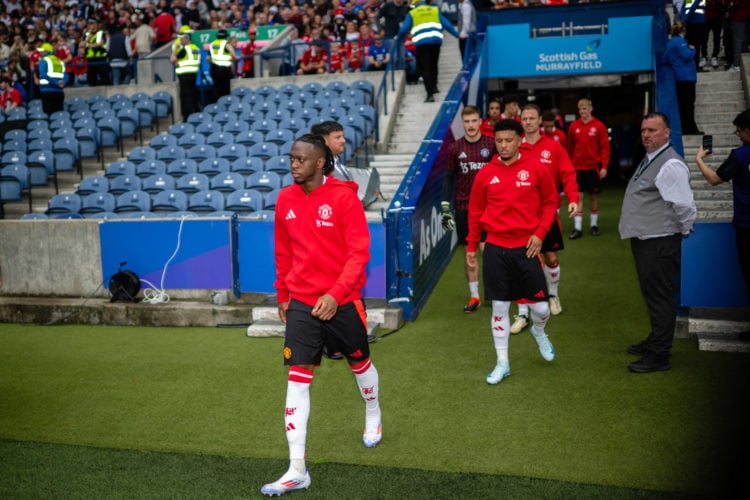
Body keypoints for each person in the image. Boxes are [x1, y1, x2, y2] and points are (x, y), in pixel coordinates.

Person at [261, 134, 381, 496]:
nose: (293, 163)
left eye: (300, 159)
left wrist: (336, 293)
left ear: (320, 162)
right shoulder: (285, 199)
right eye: (291, 158)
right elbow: (283, 250)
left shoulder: (344, 197)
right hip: (301, 301)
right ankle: (297, 468)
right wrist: (284, 294)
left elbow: (359, 254)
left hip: (342, 301)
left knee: (359, 362)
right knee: (297, 378)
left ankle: (373, 411)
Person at [466, 119, 559, 385]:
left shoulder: (536, 168)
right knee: (499, 307)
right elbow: (475, 212)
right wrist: (472, 246)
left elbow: (551, 202)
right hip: (495, 249)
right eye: (499, 141)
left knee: (542, 308)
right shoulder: (485, 173)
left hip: (527, 248)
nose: (503, 145)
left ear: (520, 140)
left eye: (509, 140)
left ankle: (539, 332)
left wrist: (540, 233)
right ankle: (503, 362)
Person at [619, 112, 696, 373]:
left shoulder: (670, 164)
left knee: (660, 298)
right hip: (648, 239)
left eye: (652, 130)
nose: (646, 135)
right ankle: (656, 341)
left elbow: (685, 205)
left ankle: (659, 355)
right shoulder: (654, 158)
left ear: (667, 133)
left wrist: (683, 229)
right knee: (653, 296)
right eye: (643, 130)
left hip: (659, 242)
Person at [510, 104, 579, 333]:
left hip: (547, 215)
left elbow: (568, 173)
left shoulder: (553, 147)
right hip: (520, 216)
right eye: (525, 118)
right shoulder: (514, 146)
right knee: (520, 262)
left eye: (532, 118)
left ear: (541, 120)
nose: (528, 122)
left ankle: (553, 296)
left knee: (550, 257)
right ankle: (521, 314)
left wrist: (572, 198)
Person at [695, 109, 750, 339]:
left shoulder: (740, 155)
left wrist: (699, 159)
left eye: (739, 132)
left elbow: (714, 179)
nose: (738, 136)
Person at [441, 105, 496, 313]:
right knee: (469, 253)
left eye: (474, 121)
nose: (471, 125)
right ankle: (475, 296)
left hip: (491, 207)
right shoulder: (455, 148)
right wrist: (445, 207)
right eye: (467, 122)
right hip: (465, 207)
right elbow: (448, 178)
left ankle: (494, 291)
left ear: (480, 121)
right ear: (462, 123)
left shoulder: (491, 145)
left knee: (489, 250)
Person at [395, 0, 460, 103]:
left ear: (415, 4)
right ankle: (434, 87)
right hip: (435, 41)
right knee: (434, 64)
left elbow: (404, 29)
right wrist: (458, 36)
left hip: (422, 43)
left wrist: (397, 38)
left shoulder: (413, 13)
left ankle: (430, 94)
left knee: (425, 68)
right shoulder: (434, 10)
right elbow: (447, 24)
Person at [567, 98, 610, 239]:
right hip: (578, 168)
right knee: (578, 196)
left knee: (593, 197)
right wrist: (570, 165)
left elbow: (605, 147)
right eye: (580, 109)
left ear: (591, 108)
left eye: (585, 108)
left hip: (593, 168)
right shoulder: (573, 126)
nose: (582, 112)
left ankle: (594, 225)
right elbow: (569, 148)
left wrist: (604, 166)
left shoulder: (599, 126)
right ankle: (577, 228)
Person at [666, 21, 702, 135]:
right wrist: (692, 49)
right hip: (686, 77)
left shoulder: (671, 42)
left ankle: (685, 127)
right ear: (683, 31)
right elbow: (686, 55)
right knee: (688, 104)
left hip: (679, 77)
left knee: (683, 104)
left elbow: (666, 58)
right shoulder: (680, 41)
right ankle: (690, 128)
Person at [170, 25, 201, 122]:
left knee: (185, 97)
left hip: (184, 74)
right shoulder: (195, 47)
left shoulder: (184, 50)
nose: (179, 41)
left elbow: (172, 60)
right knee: (193, 95)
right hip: (193, 74)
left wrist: (175, 50)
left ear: (186, 38)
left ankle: (188, 117)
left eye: (181, 38)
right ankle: (196, 113)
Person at [36, 42, 68, 115]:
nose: (40, 53)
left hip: (47, 91)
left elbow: (43, 74)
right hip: (59, 92)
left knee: (49, 116)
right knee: (59, 115)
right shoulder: (60, 61)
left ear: (47, 51)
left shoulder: (44, 60)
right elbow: (66, 75)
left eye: (42, 51)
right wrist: (63, 83)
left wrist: (56, 82)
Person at [208, 29, 236, 101]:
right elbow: (234, 55)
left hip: (214, 69)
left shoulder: (212, 44)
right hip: (224, 70)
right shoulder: (226, 44)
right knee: (226, 91)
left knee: (217, 90)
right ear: (226, 37)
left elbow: (208, 58)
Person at [84, 18, 110, 86]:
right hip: (90, 59)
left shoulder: (101, 33)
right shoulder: (87, 34)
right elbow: (81, 44)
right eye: (89, 24)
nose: (89, 25)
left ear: (96, 25)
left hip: (100, 57)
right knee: (91, 78)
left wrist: (87, 45)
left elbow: (99, 44)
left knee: (104, 77)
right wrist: (87, 40)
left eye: (91, 24)